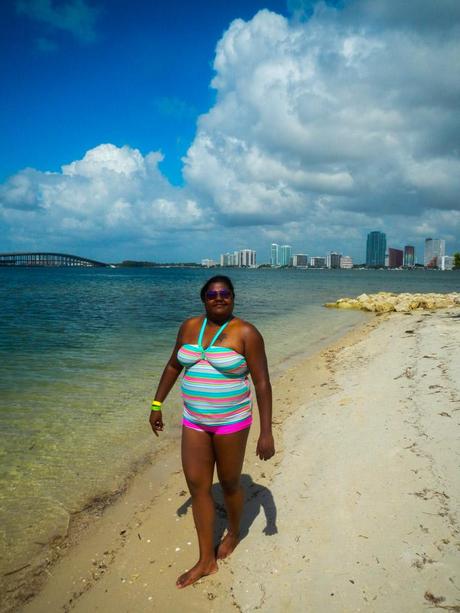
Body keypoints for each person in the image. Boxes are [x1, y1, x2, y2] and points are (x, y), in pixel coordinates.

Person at [149, 275, 275, 589]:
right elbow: (173, 366)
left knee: (230, 483)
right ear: (203, 298)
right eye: (212, 294)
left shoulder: (246, 333)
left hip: (231, 422)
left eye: (225, 293)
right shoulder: (189, 328)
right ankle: (207, 560)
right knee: (197, 487)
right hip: (194, 420)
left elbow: (261, 383)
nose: (219, 298)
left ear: (233, 298)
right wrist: (156, 403)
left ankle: (233, 532)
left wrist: (266, 432)